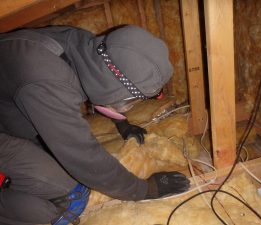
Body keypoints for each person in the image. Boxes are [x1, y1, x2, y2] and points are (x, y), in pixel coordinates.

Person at [0, 25, 190, 225]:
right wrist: (145, 190)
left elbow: (98, 83)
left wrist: (122, 123)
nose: (129, 107)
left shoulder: (90, 49)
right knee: (71, 196)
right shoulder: (45, 78)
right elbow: (84, 157)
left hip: (10, 114)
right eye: (130, 101)